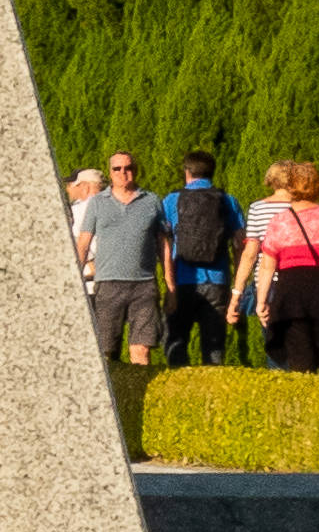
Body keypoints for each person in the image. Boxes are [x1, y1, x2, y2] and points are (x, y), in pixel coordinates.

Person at [243, 161, 319, 376]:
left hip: (292, 291)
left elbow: (268, 265)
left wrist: (261, 301)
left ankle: (305, 401)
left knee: (300, 355)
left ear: (291, 187)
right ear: (318, 185)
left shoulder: (280, 221)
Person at [76, 150, 170, 370]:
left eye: (127, 168)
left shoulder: (152, 201)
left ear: (135, 170)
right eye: (117, 168)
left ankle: (139, 397)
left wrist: (170, 284)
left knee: (141, 349)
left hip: (144, 285)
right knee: (106, 350)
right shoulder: (98, 203)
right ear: (110, 172)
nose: (122, 172)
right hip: (108, 284)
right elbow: (83, 244)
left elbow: (163, 245)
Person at [160, 154, 243, 369]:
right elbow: (240, 244)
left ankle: (177, 394)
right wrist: (237, 284)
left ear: (186, 172)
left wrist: (168, 285)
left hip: (182, 281)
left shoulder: (171, 200)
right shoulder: (228, 200)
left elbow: (163, 244)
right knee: (214, 350)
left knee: (176, 343)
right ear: (213, 171)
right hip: (217, 280)